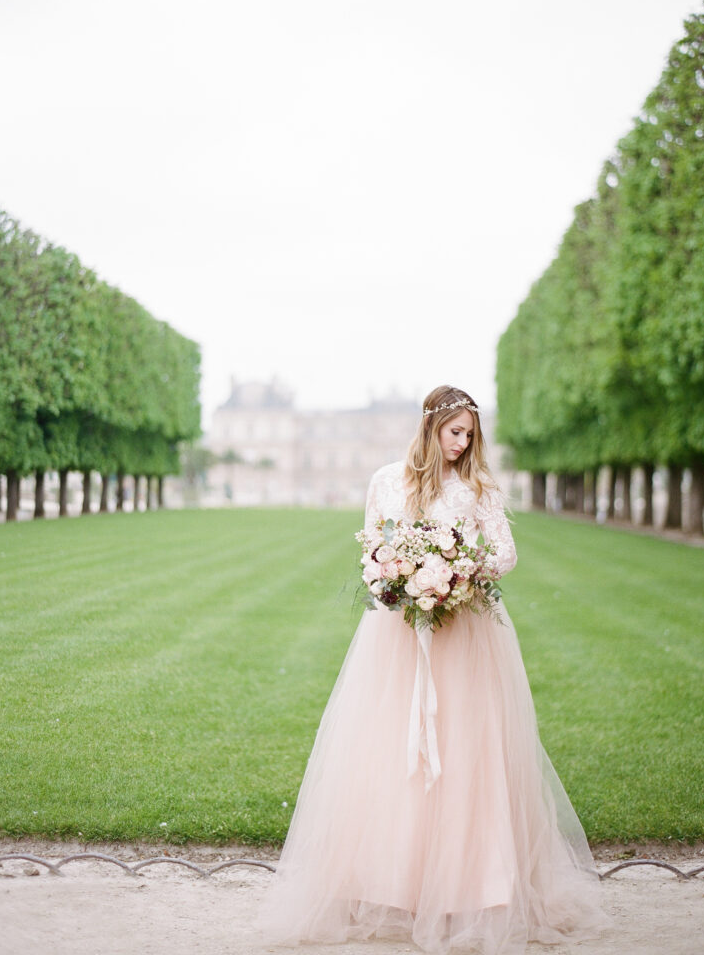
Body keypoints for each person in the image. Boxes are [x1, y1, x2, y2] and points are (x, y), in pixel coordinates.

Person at [260, 385, 609, 954]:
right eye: (455, 432)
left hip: (465, 632)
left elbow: (505, 554)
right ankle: (388, 882)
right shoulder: (385, 481)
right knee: (388, 747)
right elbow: (372, 545)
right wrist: (393, 574)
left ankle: (474, 884)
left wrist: (458, 570)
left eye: (470, 435)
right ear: (432, 428)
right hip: (397, 636)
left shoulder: (476, 488)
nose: (463, 443)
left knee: (466, 749)